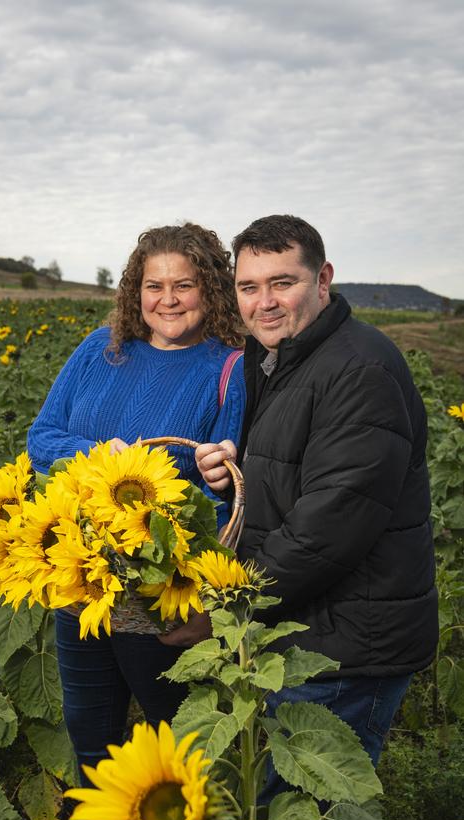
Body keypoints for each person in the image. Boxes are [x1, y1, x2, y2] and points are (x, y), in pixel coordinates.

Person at [166, 213, 438, 775]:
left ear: (322, 280)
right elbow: (292, 477)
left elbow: (328, 527)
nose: (264, 302)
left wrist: (220, 606)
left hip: (348, 650)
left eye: (282, 283)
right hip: (307, 630)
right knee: (285, 814)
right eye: (249, 286)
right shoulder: (274, 361)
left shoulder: (359, 368)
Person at [26, 223, 246, 778]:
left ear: (212, 288)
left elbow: (219, 487)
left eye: (184, 285)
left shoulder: (229, 367)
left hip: (158, 587)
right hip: (79, 576)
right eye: (154, 286)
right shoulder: (99, 350)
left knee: (170, 731)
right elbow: (42, 438)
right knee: (89, 725)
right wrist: (103, 457)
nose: (167, 300)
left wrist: (205, 482)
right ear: (134, 290)